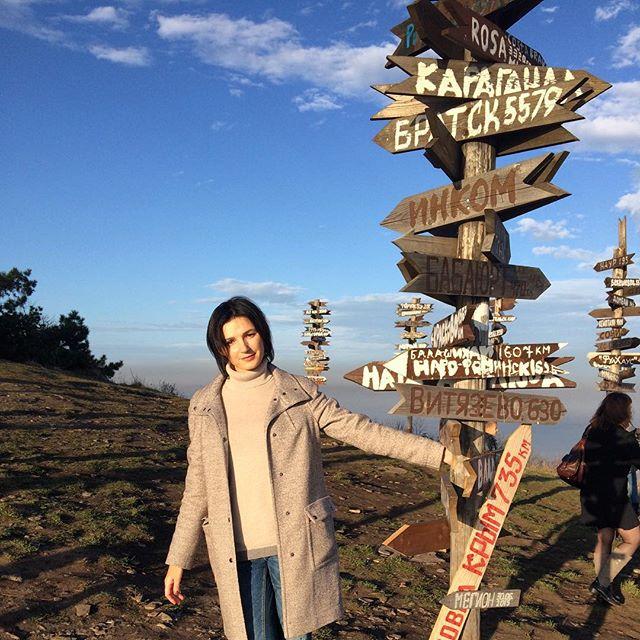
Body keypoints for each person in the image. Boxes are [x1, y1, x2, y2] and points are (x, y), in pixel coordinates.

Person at [163, 296, 470, 640]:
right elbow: (197, 487)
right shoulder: (204, 405)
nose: (244, 347)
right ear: (220, 349)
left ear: (263, 333)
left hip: (295, 545)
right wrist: (178, 559)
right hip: (237, 553)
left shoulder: (300, 394)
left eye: (249, 334)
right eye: (231, 340)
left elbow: (363, 431)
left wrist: (439, 455)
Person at [581, 392, 640, 606]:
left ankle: (602, 588)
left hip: (591, 493)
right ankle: (603, 582)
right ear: (622, 411)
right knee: (633, 539)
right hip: (613, 496)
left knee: (604, 538)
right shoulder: (623, 437)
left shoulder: (592, 430)